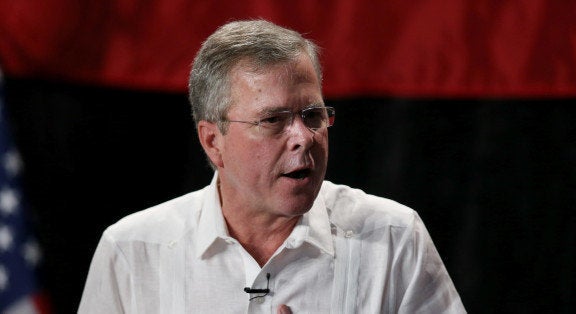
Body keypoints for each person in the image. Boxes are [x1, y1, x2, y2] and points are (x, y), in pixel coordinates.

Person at [78, 19, 466, 313]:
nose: (304, 136)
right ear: (213, 141)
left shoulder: (394, 238)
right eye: (273, 120)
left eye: (312, 114)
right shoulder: (133, 250)